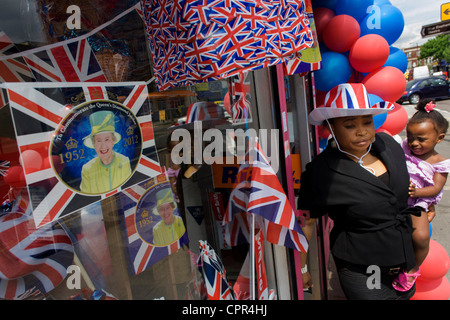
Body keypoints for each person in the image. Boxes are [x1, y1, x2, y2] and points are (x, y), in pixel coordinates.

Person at [298, 83, 421, 300]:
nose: (362, 131)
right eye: (349, 125)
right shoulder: (321, 172)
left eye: (367, 121)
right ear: (332, 127)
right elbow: (306, 223)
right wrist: (302, 269)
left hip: (404, 263)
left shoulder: (388, 145)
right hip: (363, 269)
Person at [392, 99, 450, 291]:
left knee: (421, 237)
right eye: (410, 136)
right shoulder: (405, 148)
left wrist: (417, 192)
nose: (414, 143)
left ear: (439, 138)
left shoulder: (440, 162)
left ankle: (412, 269)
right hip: (396, 196)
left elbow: (436, 188)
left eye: (421, 139)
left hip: (418, 202)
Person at [80, 110, 131, 194]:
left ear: (113, 141)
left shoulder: (124, 161)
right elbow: (86, 198)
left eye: (107, 139)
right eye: (98, 141)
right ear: (94, 145)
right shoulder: (87, 169)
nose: (103, 146)